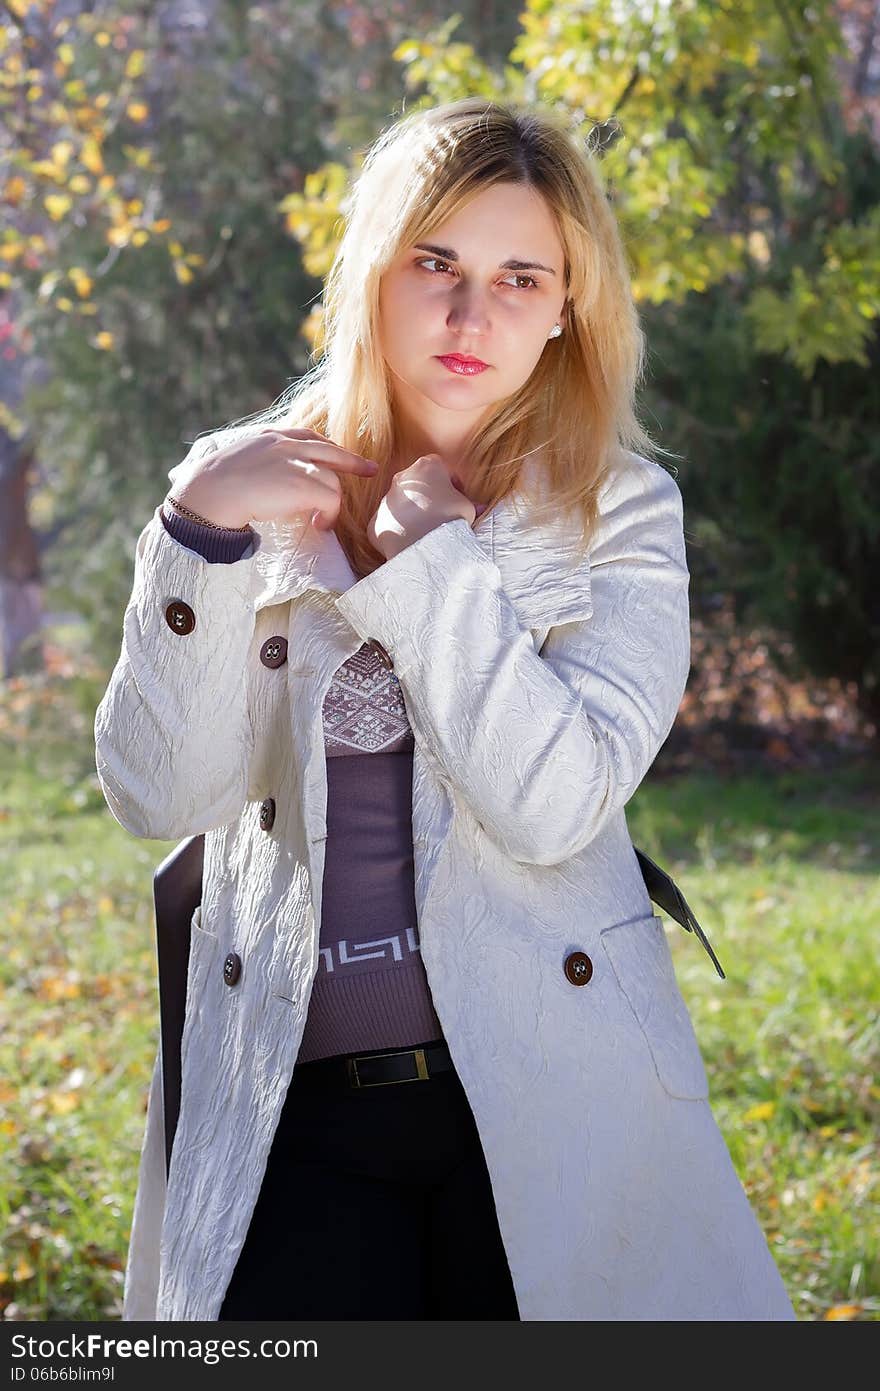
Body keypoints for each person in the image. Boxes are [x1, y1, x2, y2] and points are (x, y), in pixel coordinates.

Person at [94, 96, 796, 1321]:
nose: (475, 316)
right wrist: (196, 530)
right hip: (282, 1100)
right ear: (374, 270)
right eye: (438, 264)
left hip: (547, 1096)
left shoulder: (617, 510)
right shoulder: (242, 482)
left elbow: (552, 807)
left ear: (571, 304)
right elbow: (158, 794)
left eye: (523, 276)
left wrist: (433, 573)